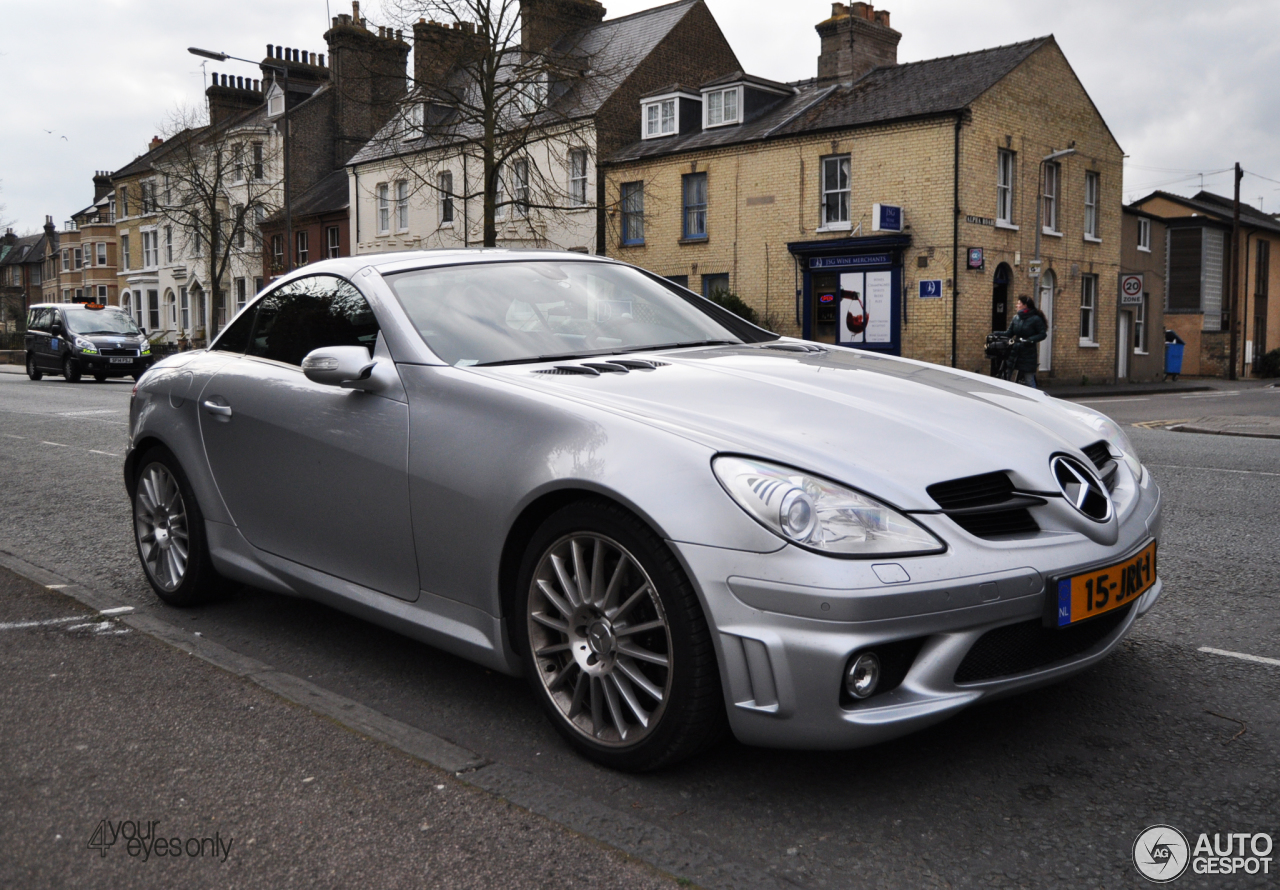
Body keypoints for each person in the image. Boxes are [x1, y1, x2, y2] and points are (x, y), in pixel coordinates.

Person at [1004, 295, 1047, 388]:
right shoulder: (1016, 318)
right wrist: (995, 334)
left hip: (1028, 354)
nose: (1016, 305)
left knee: (1029, 380)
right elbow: (1009, 333)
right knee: (1009, 379)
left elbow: (1042, 334)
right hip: (1015, 352)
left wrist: (1030, 340)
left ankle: (1035, 400)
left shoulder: (1035, 319)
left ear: (1025, 305)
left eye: (1019, 303)